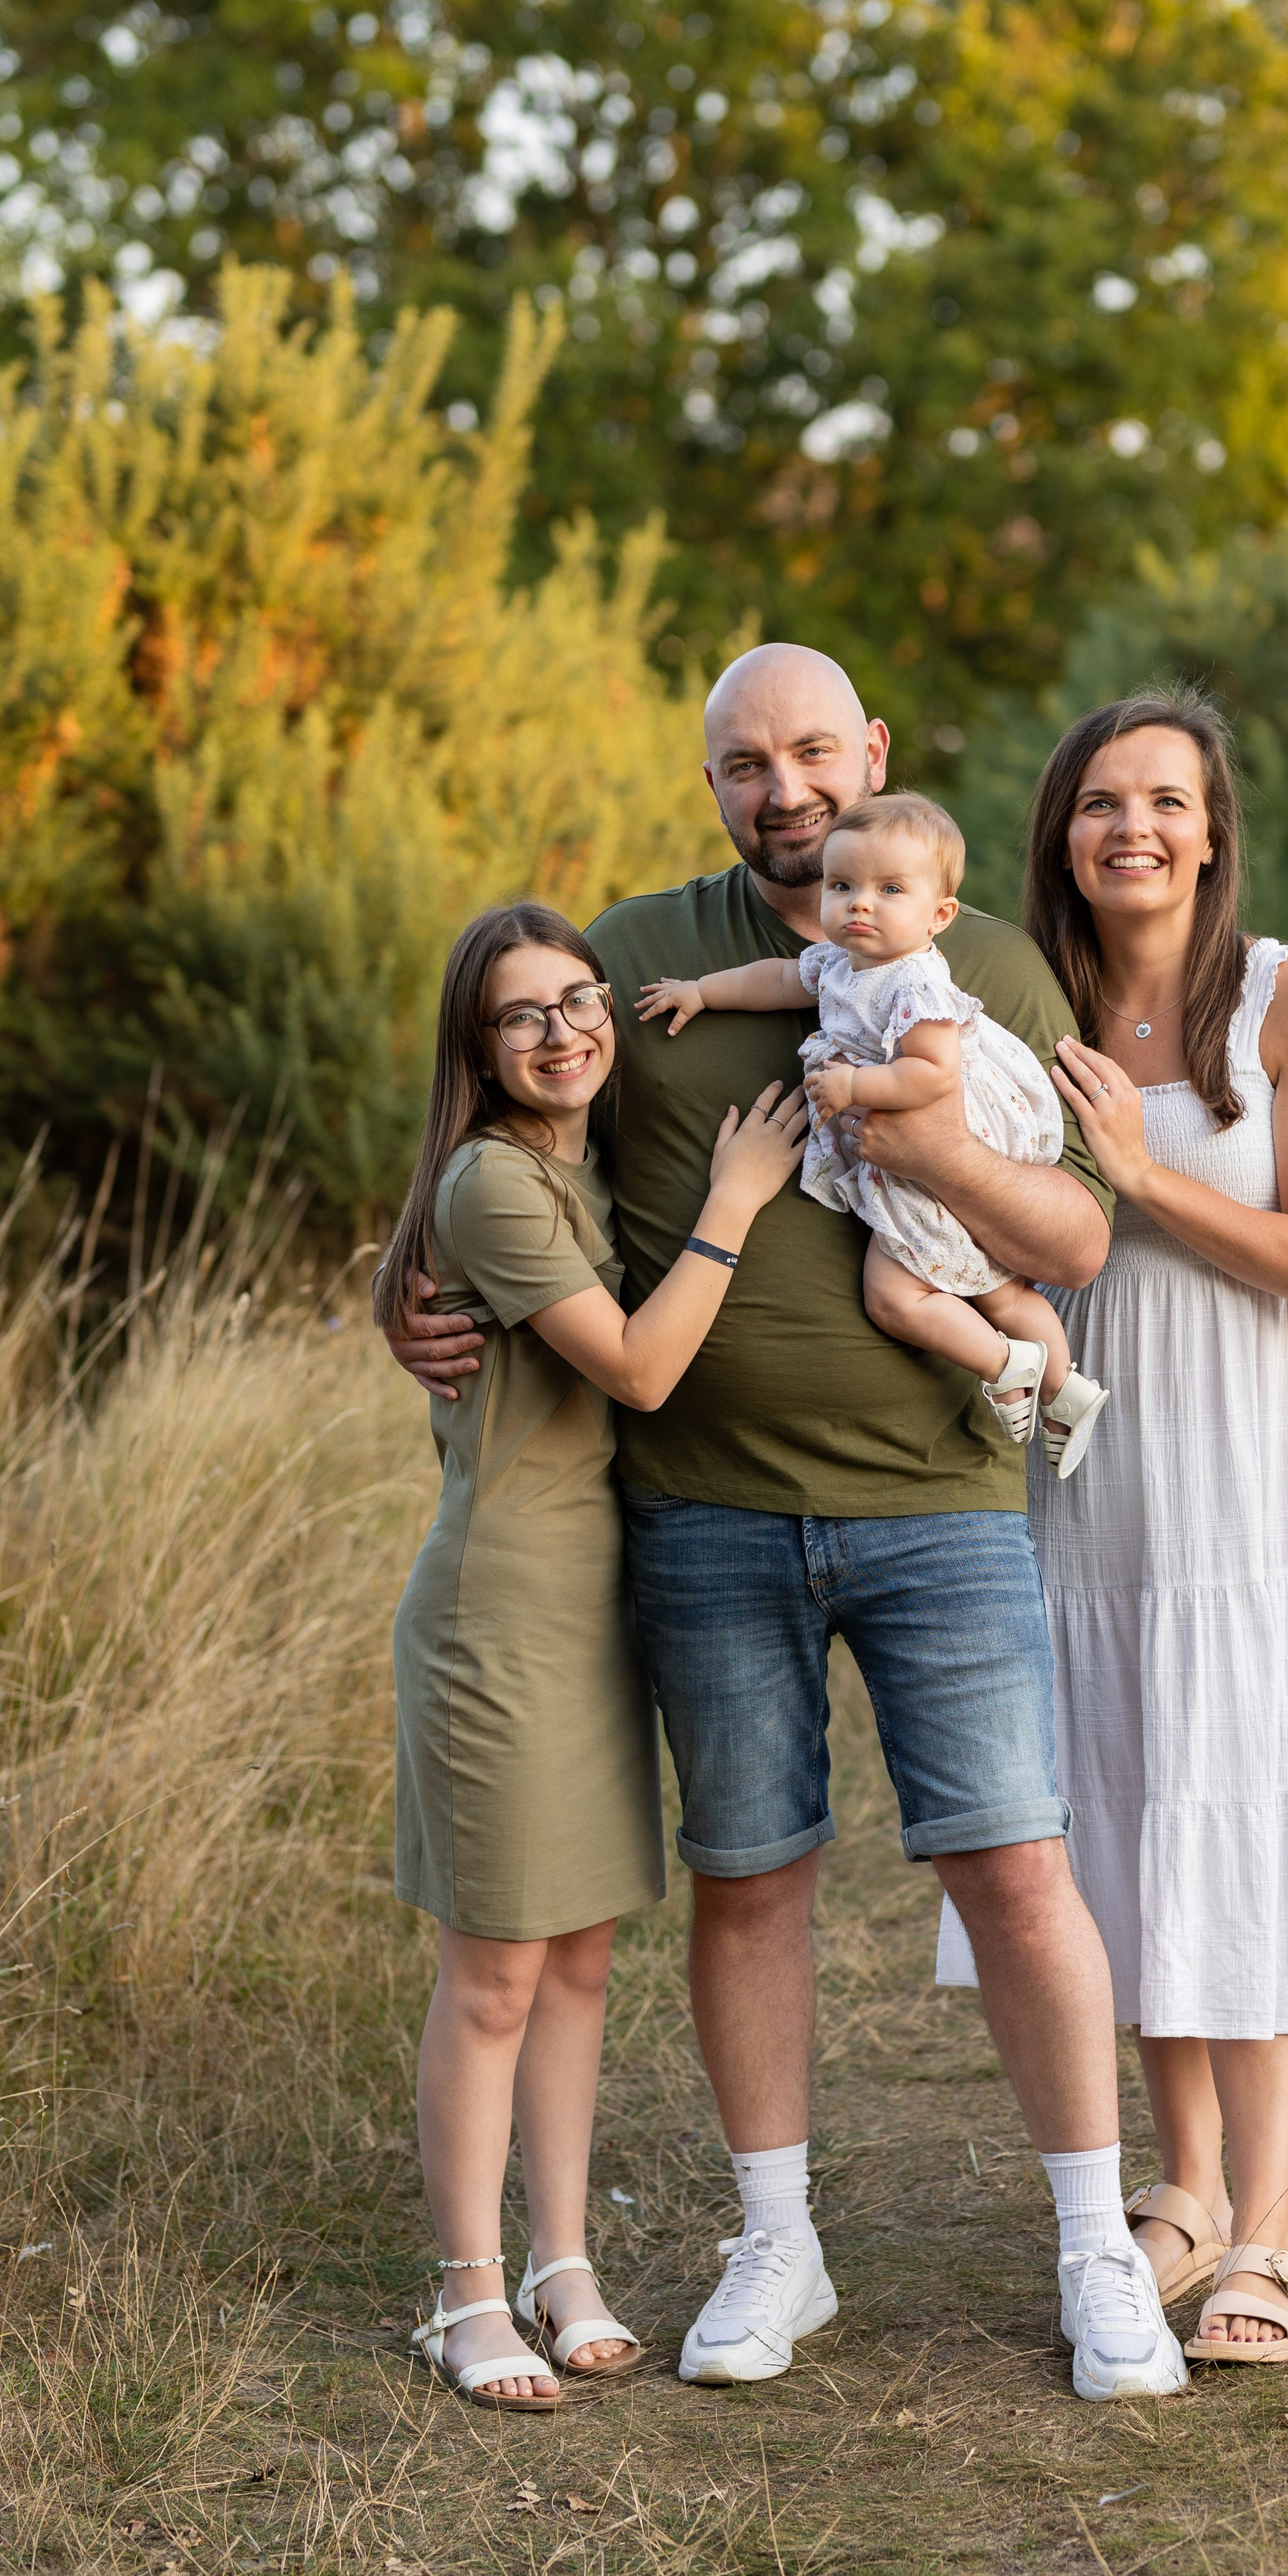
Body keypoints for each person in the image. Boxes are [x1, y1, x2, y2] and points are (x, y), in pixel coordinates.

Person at [388, 644, 1188, 2404]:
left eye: (814, 751)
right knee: (745, 1883)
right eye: (746, 763)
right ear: (712, 785)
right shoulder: (637, 955)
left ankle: (1089, 2252)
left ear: (873, 754)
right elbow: (511, 1145)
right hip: (697, 1514)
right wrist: (413, 1294)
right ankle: (778, 2241)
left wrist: (906, 1145)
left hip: (936, 1504)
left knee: (1015, 1868)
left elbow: (1068, 1243)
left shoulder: (970, 952)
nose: (785, 789)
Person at [938, 688, 1288, 2366]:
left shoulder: (1286, 1003)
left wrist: (1137, 1177)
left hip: (1255, 1467)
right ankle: (1184, 2189)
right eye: (1096, 802)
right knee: (1127, 1806)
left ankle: (1271, 2232)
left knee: (1252, 1794)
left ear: (1211, 829)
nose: (1128, 826)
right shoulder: (1021, 1004)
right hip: (1092, 1464)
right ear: (1057, 836)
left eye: (1161, 798)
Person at [377, 900, 806, 2409]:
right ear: (477, 1051)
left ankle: (561, 2266)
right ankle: (461, 2296)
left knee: (574, 1966)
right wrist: (739, 1199)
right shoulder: (493, 1179)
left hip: (598, 1608)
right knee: (494, 1972)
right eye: (520, 1015)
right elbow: (635, 1365)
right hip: (501, 1617)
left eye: (579, 1001)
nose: (562, 1031)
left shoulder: (586, 1169)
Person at [636, 788, 1109, 1477]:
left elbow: (933, 1075)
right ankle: (1068, 1392)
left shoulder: (914, 983)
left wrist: (854, 1086)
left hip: (932, 1149)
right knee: (1000, 1292)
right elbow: (775, 981)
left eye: (890, 889)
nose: (860, 903)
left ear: (939, 915)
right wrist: (705, 991)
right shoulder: (840, 963)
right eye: (843, 885)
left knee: (894, 1297)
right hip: (906, 1153)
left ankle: (1008, 1366)